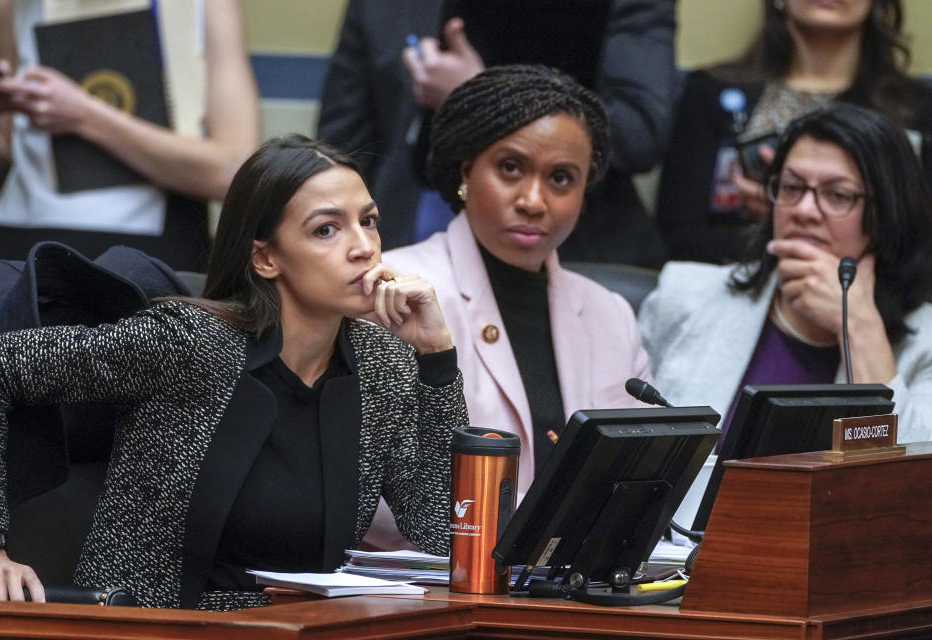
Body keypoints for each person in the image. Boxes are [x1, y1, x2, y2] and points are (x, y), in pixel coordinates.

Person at [0, 135, 468, 610]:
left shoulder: (385, 364)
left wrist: (437, 357)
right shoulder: (189, 342)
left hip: (303, 627)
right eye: (327, 229)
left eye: (370, 221)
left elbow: (437, 528)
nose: (364, 247)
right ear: (266, 257)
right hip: (153, 626)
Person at [364, 66, 650, 551]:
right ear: (465, 171)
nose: (533, 200)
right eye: (511, 168)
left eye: (561, 178)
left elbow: (635, 473)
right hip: (422, 592)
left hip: (570, 589)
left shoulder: (611, 314)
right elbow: (365, 495)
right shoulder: (393, 288)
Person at [640, 104, 932, 445]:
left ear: (887, 216)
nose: (804, 210)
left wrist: (856, 322)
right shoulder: (684, 294)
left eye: (837, 195)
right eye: (792, 187)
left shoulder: (926, 343)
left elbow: (912, 484)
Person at [317, 0, 674, 266]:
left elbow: (640, 132)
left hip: (570, 257)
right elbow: (342, 145)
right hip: (403, 237)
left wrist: (480, 92)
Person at [0, 0, 260, 270]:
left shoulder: (206, 6)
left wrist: (85, 116)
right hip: (16, 249)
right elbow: (7, 182)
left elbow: (235, 173)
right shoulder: (11, 5)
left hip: (144, 257)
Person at [656, 0, 932, 264]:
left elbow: (921, 247)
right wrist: (780, 224)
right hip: (732, 285)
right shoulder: (710, 92)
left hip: (872, 294)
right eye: (789, 186)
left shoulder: (917, 109)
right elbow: (678, 234)